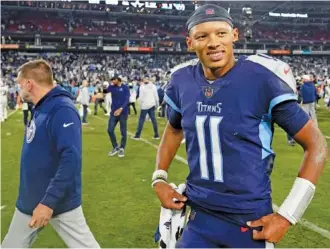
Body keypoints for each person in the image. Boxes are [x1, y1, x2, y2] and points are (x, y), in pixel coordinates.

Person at [152, 5, 328, 248]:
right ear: (190, 43)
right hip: (197, 216)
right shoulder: (181, 81)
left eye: (221, 34)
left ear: (235, 35)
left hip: (250, 221)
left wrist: (288, 215)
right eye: (203, 36)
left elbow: (316, 144)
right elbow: (173, 129)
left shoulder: (262, 79)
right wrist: (159, 178)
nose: (213, 43)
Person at [1, 60, 100, 248]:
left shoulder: (62, 109)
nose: (19, 89)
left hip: (59, 202)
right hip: (30, 201)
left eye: (20, 84)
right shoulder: (41, 106)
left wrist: (48, 202)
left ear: (29, 84)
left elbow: (71, 159)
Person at [107, 76, 130, 158]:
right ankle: (115, 147)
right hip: (113, 112)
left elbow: (127, 100)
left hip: (123, 113)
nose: (112, 81)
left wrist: (121, 109)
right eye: (111, 80)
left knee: (123, 132)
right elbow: (104, 91)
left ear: (118, 80)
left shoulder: (125, 88)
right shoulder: (112, 87)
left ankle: (122, 148)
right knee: (110, 130)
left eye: (113, 80)